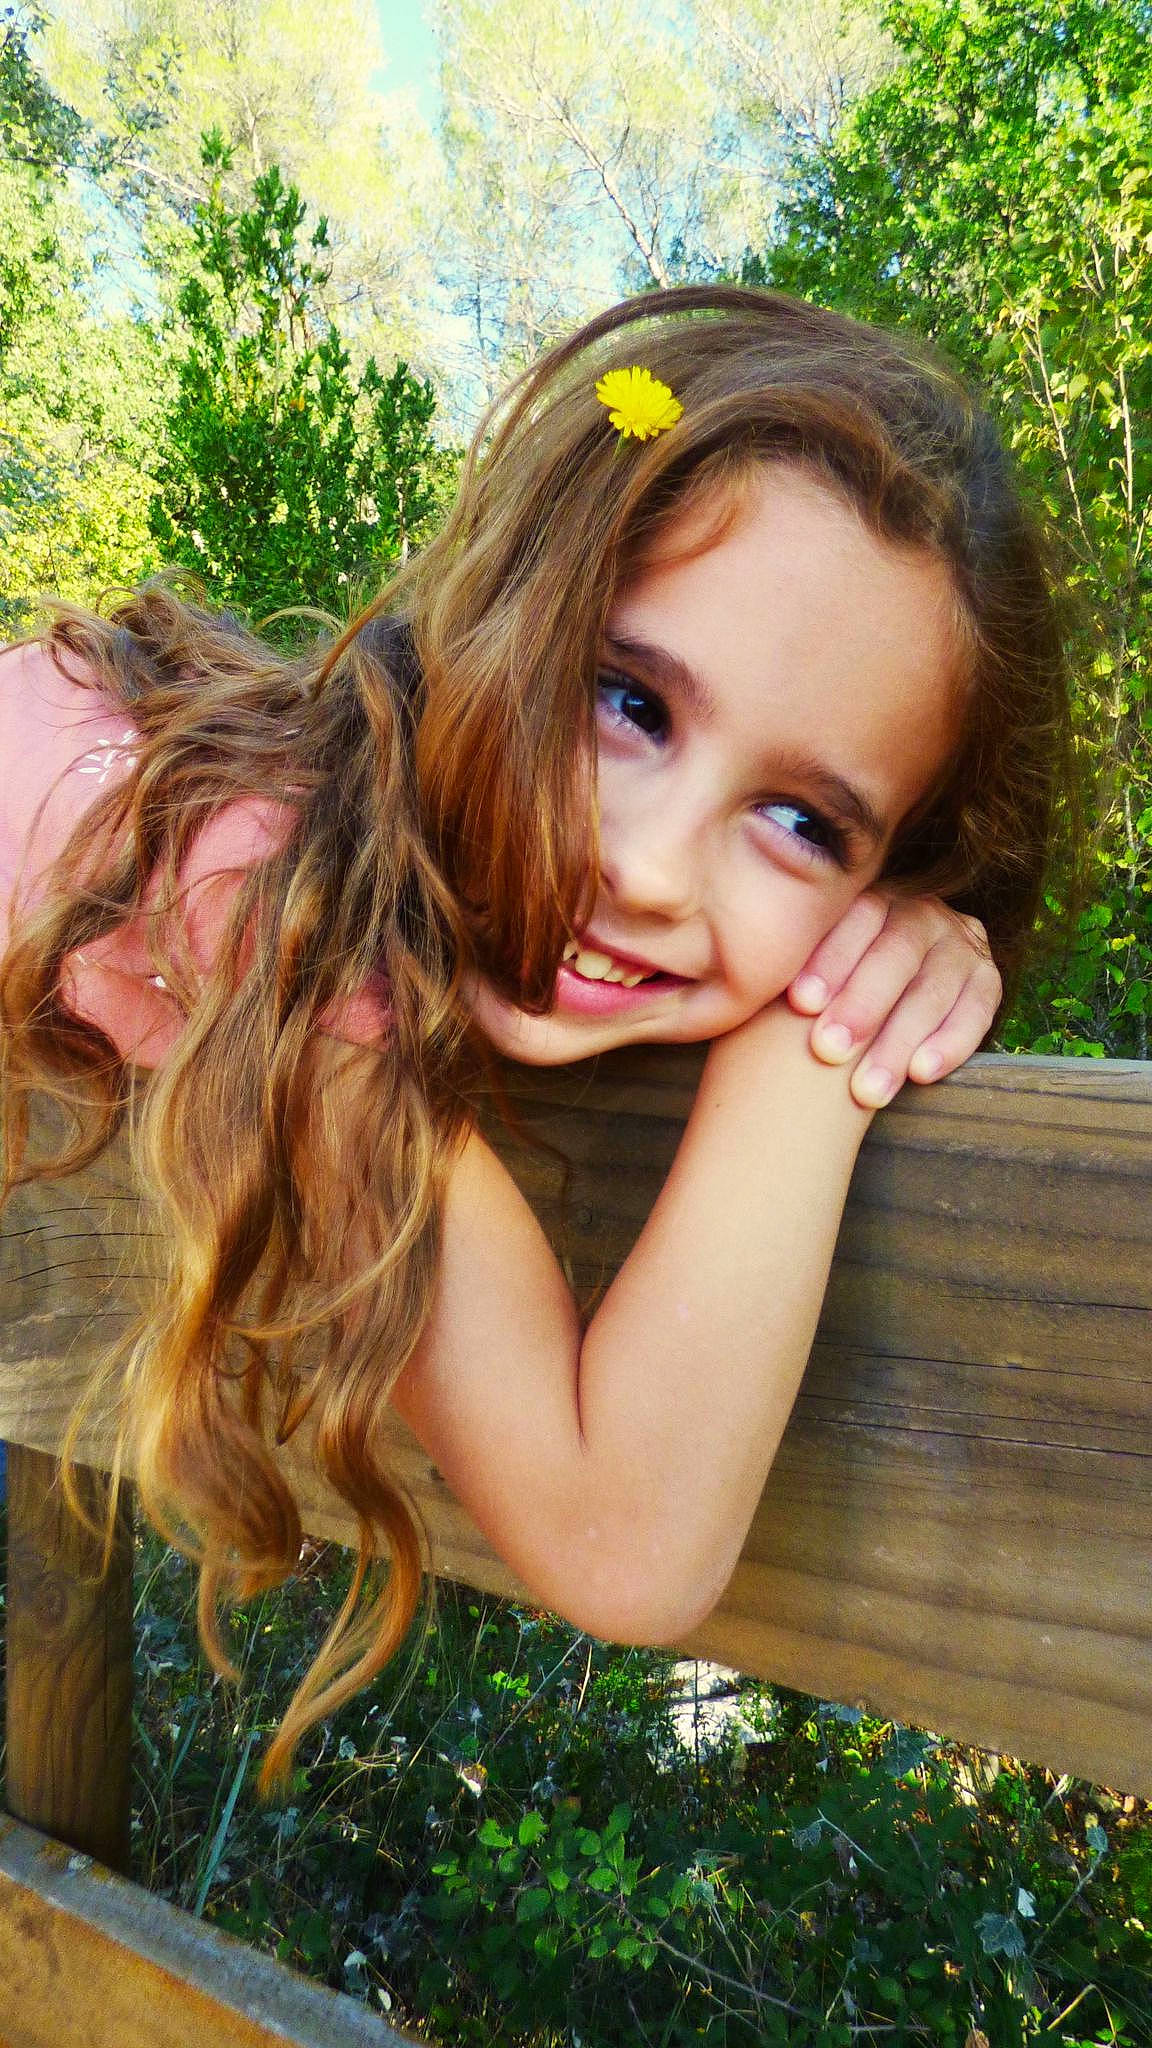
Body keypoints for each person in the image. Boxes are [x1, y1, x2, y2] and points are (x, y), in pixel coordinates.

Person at [0, 285, 1074, 1799]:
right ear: (513, 597)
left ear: (893, 869)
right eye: (629, 700)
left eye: (801, 824)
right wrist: (814, 1046)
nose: (647, 864)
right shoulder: (269, 898)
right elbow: (620, 1537)